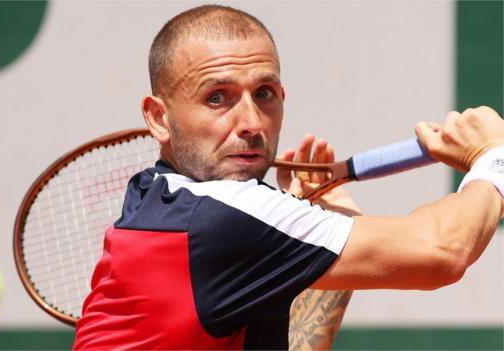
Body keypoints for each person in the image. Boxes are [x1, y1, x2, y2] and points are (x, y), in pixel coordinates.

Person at [73, 5, 504, 350]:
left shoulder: (165, 204)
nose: (251, 122)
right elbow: (443, 252)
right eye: (217, 97)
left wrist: (323, 226)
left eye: (264, 94)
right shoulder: (220, 216)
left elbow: (301, 345)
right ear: (159, 118)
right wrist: (492, 158)